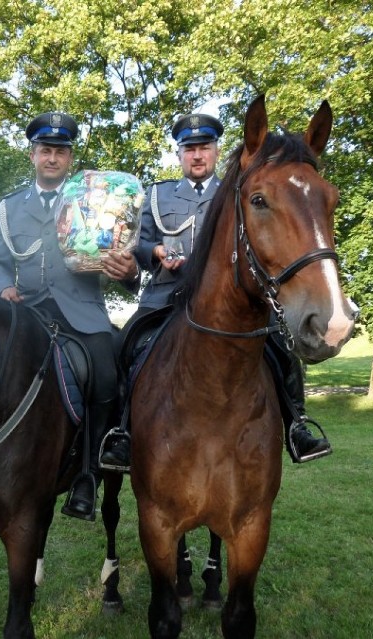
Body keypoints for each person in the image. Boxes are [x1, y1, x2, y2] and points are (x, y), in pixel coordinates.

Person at [100, 113, 332, 469]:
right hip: (167, 295)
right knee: (128, 343)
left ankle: (296, 424)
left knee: (280, 347)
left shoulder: (237, 192)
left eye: (204, 148)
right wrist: (154, 253)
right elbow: (138, 243)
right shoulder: (158, 195)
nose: (197, 155)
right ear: (179, 154)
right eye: (189, 148)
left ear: (215, 151)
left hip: (227, 300)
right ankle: (122, 430)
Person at [0, 111, 139, 520]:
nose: (52, 158)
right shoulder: (9, 208)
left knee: (106, 375)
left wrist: (128, 271)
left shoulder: (96, 198)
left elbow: (122, 254)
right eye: (45, 150)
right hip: (26, 311)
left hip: (82, 312)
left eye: (60, 152)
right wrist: (2, 288)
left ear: (70, 159)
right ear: (32, 155)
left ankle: (88, 474)